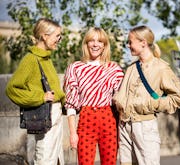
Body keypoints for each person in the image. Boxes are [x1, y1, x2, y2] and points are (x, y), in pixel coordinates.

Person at [113, 25, 180, 165]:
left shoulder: (161, 68)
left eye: (130, 41)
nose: (128, 45)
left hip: (144, 127)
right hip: (124, 126)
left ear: (143, 43)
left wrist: (152, 104)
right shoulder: (131, 68)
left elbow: (177, 98)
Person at [5, 18, 65, 164]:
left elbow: (55, 90)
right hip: (45, 114)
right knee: (45, 158)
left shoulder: (47, 59)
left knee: (56, 157)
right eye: (57, 35)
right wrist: (40, 97)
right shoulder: (31, 59)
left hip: (55, 114)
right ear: (44, 36)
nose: (59, 39)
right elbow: (11, 89)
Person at [63, 27, 124, 165]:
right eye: (92, 40)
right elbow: (71, 104)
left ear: (104, 45)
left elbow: (121, 102)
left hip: (109, 120)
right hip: (86, 120)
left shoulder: (114, 69)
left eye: (100, 41)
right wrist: (73, 133)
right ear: (86, 43)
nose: (95, 44)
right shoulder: (75, 68)